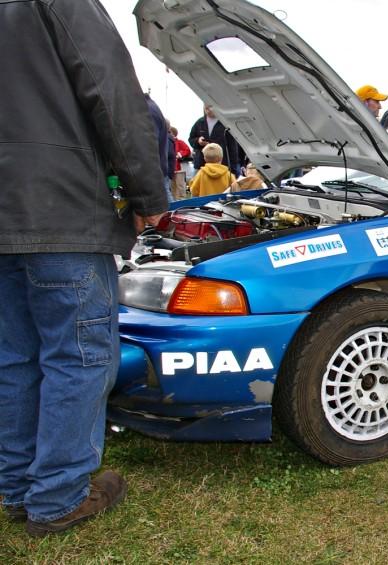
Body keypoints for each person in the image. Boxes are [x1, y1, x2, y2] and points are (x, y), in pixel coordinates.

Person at [0, 0, 168, 537]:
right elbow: (111, 91)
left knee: (13, 356)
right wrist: (147, 192)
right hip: (61, 210)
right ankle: (58, 496)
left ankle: (16, 485)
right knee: (78, 355)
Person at [188, 103, 241, 175]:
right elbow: (191, 139)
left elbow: (233, 146)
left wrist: (233, 167)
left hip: (222, 165)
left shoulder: (225, 123)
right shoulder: (199, 122)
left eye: (210, 107)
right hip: (202, 165)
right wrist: (198, 141)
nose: (208, 110)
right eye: (206, 108)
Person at [170, 126, 192, 198]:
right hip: (171, 168)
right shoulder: (168, 142)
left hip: (179, 168)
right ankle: (174, 200)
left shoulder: (179, 142)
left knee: (180, 185)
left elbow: (187, 150)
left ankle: (182, 200)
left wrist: (180, 154)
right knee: (173, 186)